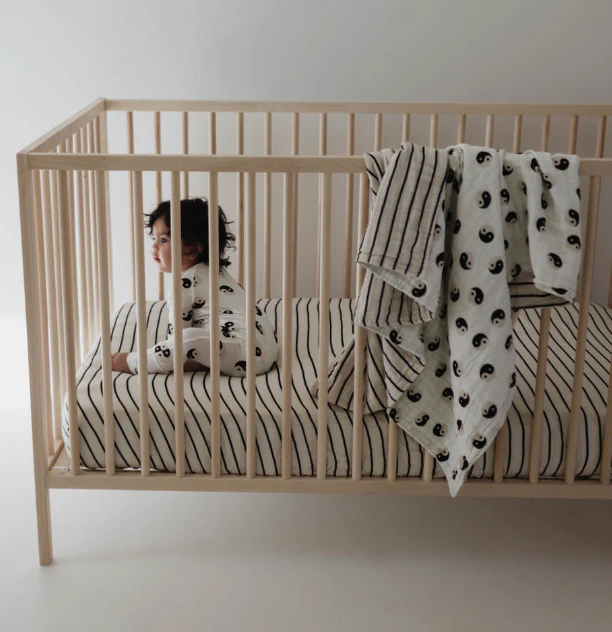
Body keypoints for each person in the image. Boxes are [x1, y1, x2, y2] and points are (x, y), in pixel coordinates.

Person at [111, 198, 278, 377]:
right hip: (265, 351)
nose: (154, 247)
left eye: (164, 240)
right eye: (154, 238)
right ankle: (200, 361)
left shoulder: (184, 284)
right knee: (194, 339)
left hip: (246, 352)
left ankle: (134, 362)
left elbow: (177, 338)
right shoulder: (217, 274)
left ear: (194, 249)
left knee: (188, 338)